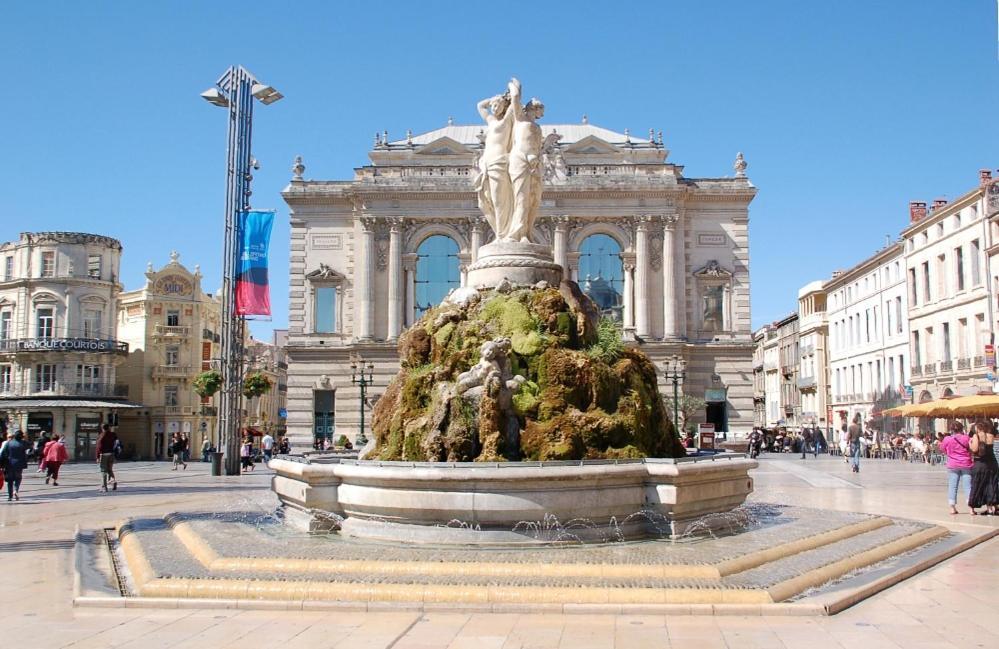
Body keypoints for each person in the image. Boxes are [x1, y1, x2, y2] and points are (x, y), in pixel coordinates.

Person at [940, 421, 974, 515]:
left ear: (951, 429)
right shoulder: (966, 438)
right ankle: (971, 508)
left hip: (952, 464)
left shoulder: (947, 439)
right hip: (966, 464)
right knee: (968, 486)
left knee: (953, 486)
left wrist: (949, 453)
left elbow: (942, 449)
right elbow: (971, 448)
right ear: (961, 428)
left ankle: (952, 508)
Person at [968, 421, 998, 515]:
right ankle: (990, 507)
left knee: (977, 485)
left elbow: (974, 449)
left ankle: (972, 509)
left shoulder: (976, 436)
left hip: (980, 464)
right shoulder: (990, 435)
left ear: (979, 427)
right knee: (991, 485)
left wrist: (970, 443)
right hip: (992, 463)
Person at [0, 430, 28, 501]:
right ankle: (16, 490)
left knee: (10, 481)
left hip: (9, 464)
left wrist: (2, 465)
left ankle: (10, 496)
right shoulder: (23, 444)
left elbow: (3, 454)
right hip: (19, 465)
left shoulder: (9, 443)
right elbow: (26, 452)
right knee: (18, 478)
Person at [95, 424, 118, 492]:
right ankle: (113, 481)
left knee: (103, 471)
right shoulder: (113, 435)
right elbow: (117, 444)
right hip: (111, 454)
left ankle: (104, 487)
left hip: (104, 455)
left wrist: (97, 456)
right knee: (110, 469)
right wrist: (115, 455)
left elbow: (99, 447)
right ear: (109, 428)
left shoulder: (102, 435)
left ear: (102, 428)